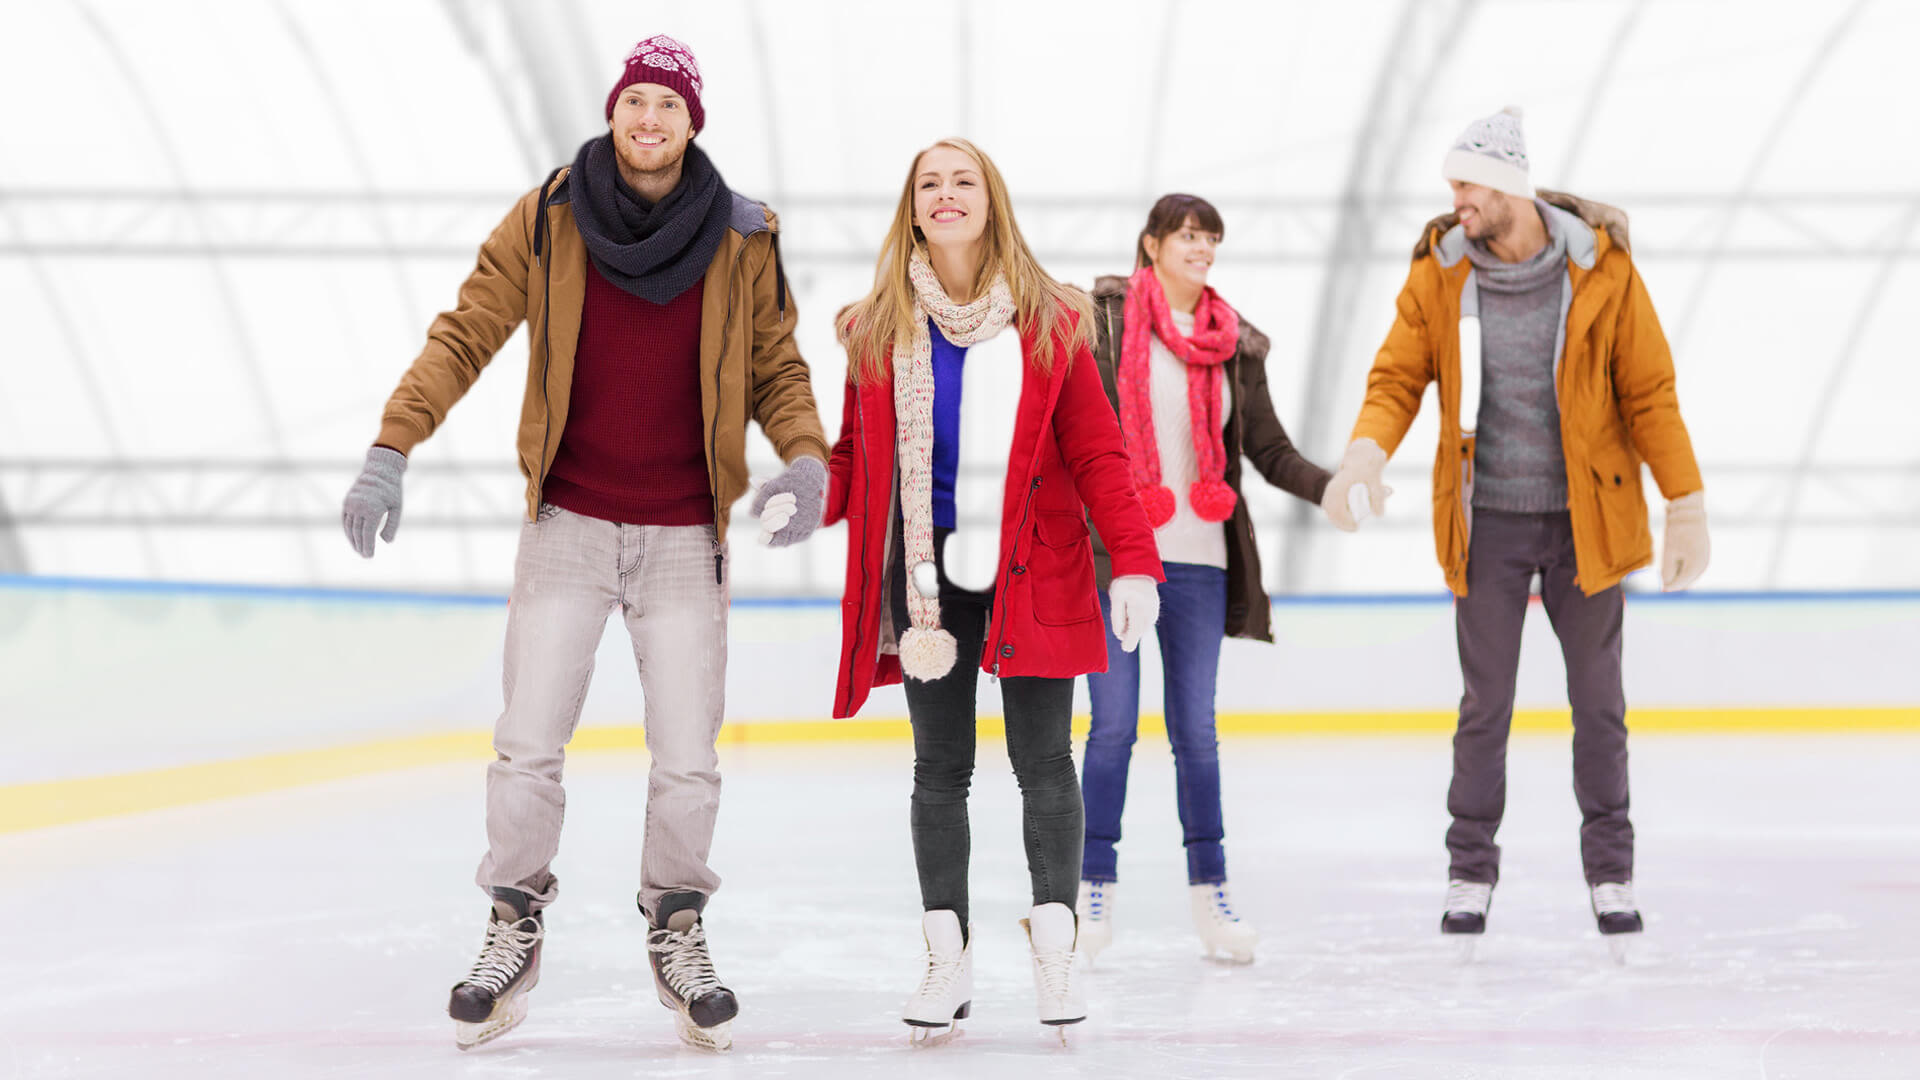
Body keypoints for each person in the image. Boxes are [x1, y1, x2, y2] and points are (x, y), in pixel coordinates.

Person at [338, 35, 830, 1050]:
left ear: (694, 124)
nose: (651, 122)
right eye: (636, 102)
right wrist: (393, 445)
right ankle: (512, 923)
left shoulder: (742, 233)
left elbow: (776, 364)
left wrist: (806, 456)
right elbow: (465, 331)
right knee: (527, 746)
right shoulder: (551, 214)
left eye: (671, 107)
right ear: (615, 111)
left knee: (689, 758)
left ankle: (678, 925)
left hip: (687, 533)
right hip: (568, 519)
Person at [1320, 107, 1709, 953]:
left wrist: (1684, 501)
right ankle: (1471, 871)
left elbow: (1650, 392)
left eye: (1466, 183)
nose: (1454, 198)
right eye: (1452, 184)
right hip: (1487, 520)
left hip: (1588, 522)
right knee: (1484, 706)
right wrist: (1362, 455)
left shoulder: (1600, 269)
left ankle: (1611, 873)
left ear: (1507, 186)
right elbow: (1397, 375)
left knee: (1599, 706)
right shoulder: (1440, 272)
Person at [822, 138, 1164, 1041]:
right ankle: (948, 959)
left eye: (961, 181)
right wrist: (802, 490)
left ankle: (1056, 954)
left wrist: (1132, 559)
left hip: (1034, 570)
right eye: (928, 183)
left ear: (991, 202)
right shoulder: (876, 326)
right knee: (941, 770)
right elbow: (855, 461)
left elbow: (1098, 450)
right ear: (911, 207)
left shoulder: (1052, 320)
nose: (945, 195)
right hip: (929, 582)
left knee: (1044, 763)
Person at [1076, 194, 1332, 965]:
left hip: (1202, 562)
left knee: (1196, 733)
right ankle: (1091, 892)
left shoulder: (1234, 345)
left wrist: (1334, 488)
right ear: (1151, 244)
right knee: (1114, 727)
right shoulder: (1105, 324)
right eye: (1188, 235)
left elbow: (1270, 448)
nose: (1202, 247)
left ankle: (1212, 898)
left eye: (1211, 236)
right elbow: (1073, 434)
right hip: (1119, 559)